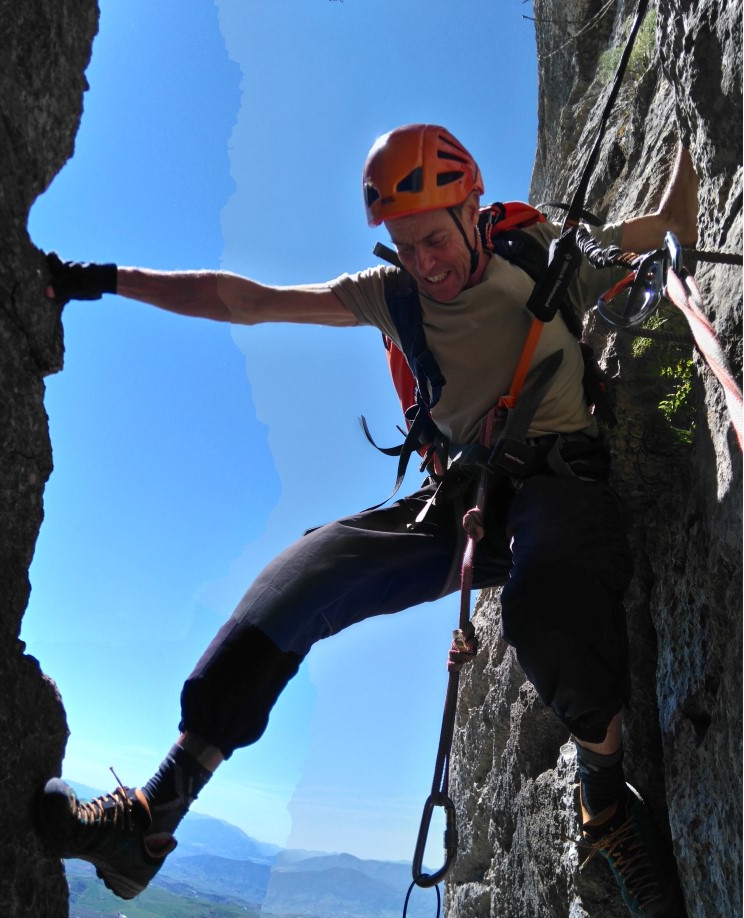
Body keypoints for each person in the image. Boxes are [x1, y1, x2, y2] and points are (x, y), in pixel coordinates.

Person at [37, 124, 697, 916]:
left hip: (562, 479)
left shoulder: (540, 253)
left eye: (432, 240)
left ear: (472, 206)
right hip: (464, 500)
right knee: (298, 579)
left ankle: (605, 801)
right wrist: (100, 279)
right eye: (404, 245)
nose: (423, 264)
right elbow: (242, 299)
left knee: (548, 592)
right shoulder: (389, 298)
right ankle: (151, 818)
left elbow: (658, 233)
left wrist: (688, 167)